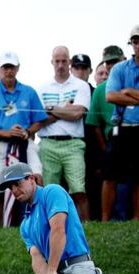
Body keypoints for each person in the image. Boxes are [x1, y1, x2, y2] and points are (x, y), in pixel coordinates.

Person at [0, 51, 48, 227]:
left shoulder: (28, 91)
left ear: (17, 68)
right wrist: (7, 133)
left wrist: (27, 131)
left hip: (25, 142)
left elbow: (40, 120)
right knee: (3, 187)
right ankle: (6, 226)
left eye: (11, 67)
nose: (8, 71)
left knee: (36, 176)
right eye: (5, 67)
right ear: (0, 69)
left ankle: (39, 220)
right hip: (0, 144)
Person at [36, 46, 92, 221]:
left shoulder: (81, 85)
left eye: (64, 61)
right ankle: (49, 227)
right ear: (52, 62)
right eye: (57, 61)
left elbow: (77, 114)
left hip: (73, 143)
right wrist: (65, 109)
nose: (60, 65)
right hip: (48, 143)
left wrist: (51, 109)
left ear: (69, 62)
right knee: (49, 191)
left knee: (78, 189)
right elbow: (38, 120)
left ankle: (86, 227)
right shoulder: (42, 88)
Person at [105, 24, 139, 221]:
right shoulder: (120, 68)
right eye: (135, 42)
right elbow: (111, 96)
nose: (138, 46)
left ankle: (137, 219)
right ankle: (104, 220)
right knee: (110, 175)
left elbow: (120, 93)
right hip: (122, 126)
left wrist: (128, 92)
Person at [86, 45, 126, 221]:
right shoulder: (101, 90)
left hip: (138, 132)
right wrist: (105, 149)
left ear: (123, 60)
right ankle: (106, 219)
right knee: (110, 179)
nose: (110, 66)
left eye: (114, 62)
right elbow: (94, 125)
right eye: (108, 63)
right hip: (113, 138)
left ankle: (136, 218)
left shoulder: (136, 80)